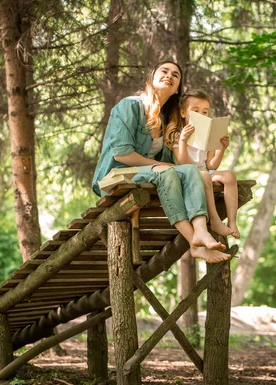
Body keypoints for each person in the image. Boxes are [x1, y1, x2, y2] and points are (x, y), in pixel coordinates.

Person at [92, 61, 231, 264]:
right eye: (164, 71)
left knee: (190, 170)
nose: (170, 75)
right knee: (166, 172)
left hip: (150, 174)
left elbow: (174, 164)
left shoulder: (165, 120)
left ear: (176, 89)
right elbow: (122, 154)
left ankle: (201, 231)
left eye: (176, 74)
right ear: (152, 77)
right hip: (116, 177)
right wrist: (159, 166)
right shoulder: (129, 106)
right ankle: (193, 242)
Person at [165, 89, 241, 238]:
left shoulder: (208, 134)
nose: (201, 115)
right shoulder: (177, 134)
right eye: (196, 111)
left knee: (229, 176)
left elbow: (212, 165)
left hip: (205, 171)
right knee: (205, 175)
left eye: (205, 112)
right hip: (186, 175)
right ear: (183, 113)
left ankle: (232, 222)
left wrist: (221, 149)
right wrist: (183, 141)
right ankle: (214, 219)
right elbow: (184, 163)